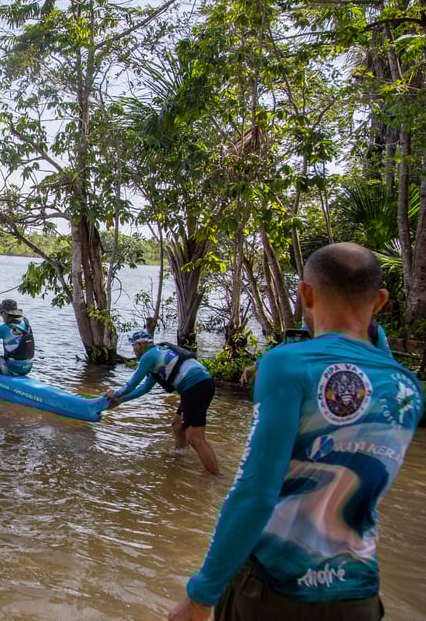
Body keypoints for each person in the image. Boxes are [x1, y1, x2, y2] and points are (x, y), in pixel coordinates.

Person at [168, 242, 424, 621]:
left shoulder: (287, 363)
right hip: (358, 595)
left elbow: (256, 492)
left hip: (274, 589)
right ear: (381, 302)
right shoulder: (407, 387)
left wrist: (201, 594)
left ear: (304, 292)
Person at [106, 330, 220, 475]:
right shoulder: (159, 354)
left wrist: (114, 394)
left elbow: (132, 384)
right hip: (201, 383)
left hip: (195, 386)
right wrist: (121, 400)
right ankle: (180, 458)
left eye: (133, 346)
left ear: (141, 345)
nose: (133, 350)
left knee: (195, 438)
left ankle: (216, 477)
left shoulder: (149, 356)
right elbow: (145, 388)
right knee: (177, 425)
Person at [239, 317, 392, 386]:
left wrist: (257, 366)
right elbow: (388, 367)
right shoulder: (374, 329)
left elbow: (285, 348)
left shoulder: (318, 326)